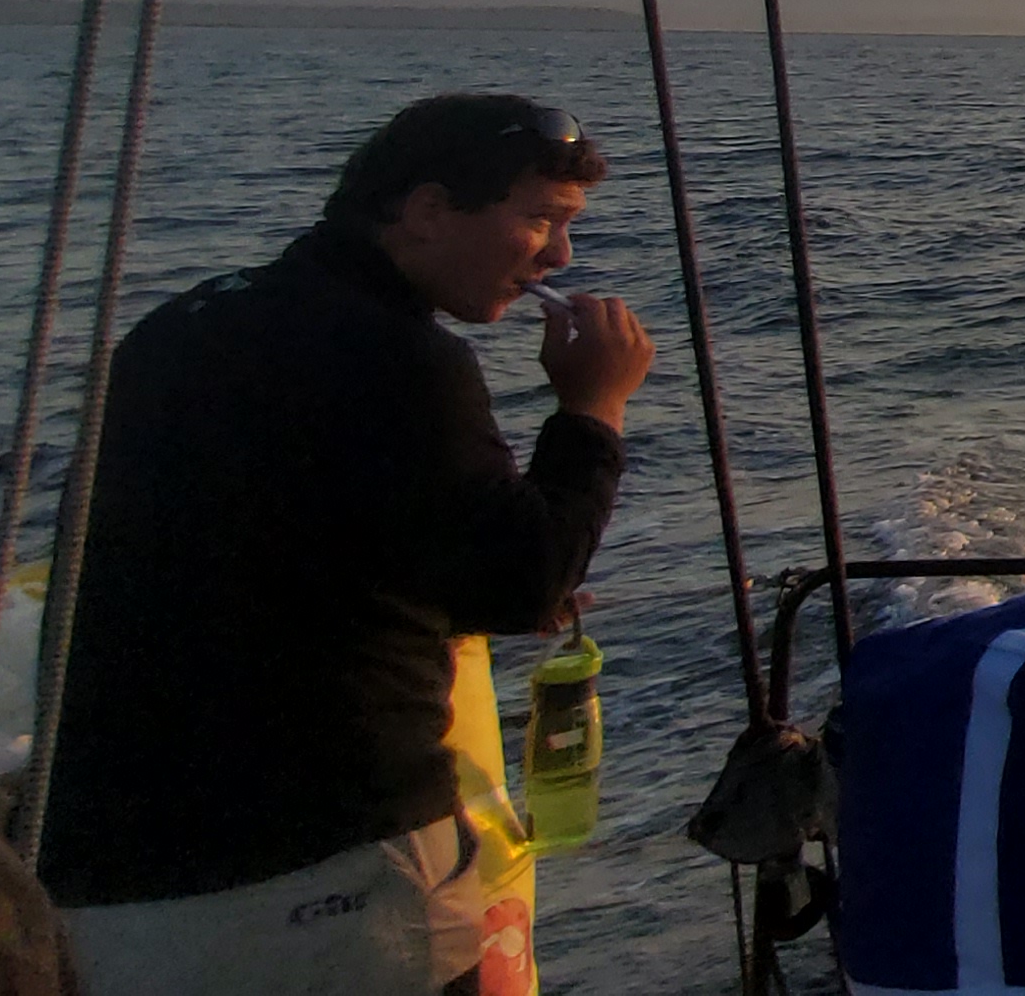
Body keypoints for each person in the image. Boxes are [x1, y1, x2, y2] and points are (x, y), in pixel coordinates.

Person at [36, 92, 657, 996]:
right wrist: (593, 409)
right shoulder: (401, 358)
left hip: (112, 880)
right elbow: (518, 582)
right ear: (428, 211)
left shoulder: (183, 327)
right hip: (320, 871)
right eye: (540, 221)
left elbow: (265, 543)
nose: (559, 257)